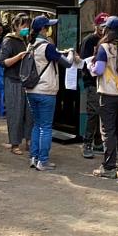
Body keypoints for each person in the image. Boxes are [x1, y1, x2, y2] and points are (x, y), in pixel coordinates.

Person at [26, 16, 78, 171]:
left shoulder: (31, 44)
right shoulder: (47, 46)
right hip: (46, 91)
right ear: (43, 29)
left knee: (37, 125)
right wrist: (70, 52)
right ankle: (43, 161)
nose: (50, 29)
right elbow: (67, 63)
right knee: (46, 127)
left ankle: (34, 157)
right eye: (48, 26)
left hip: (31, 90)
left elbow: (51, 55)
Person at [90, 16, 118, 179]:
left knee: (108, 130)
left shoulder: (105, 48)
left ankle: (109, 166)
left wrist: (90, 67)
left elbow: (99, 69)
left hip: (109, 94)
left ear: (107, 30)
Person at [0, 13, 33, 155]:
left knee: (29, 113)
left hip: (26, 81)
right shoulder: (9, 40)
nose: (25, 28)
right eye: (23, 25)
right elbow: (3, 62)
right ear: (16, 26)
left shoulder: (26, 40)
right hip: (13, 80)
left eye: (27, 25)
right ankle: (14, 144)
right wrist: (19, 57)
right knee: (15, 112)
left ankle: (29, 141)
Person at [79, 13, 109, 158]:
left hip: (106, 82)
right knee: (93, 112)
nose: (103, 29)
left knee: (102, 113)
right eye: (101, 26)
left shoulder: (109, 40)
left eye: (106, 26)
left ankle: (98, 142)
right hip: (92, 82)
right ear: (95, 26)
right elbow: (84, 61)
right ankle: (87, 143)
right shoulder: (89, 40)